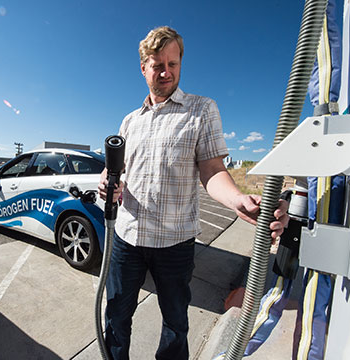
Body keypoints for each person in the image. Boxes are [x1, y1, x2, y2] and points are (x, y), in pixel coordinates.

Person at [97, 26, 289, 360]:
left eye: (172, 63)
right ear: (143, 69)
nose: (165, 71)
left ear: (180, 64)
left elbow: (212, 170)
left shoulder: (201, 110)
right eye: (157, 64)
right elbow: (118, 170)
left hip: (175, 244)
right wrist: (107, 182)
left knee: (175, 323)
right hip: (127, 240)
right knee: (115, 317)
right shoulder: (130, 122)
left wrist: (237, 200)